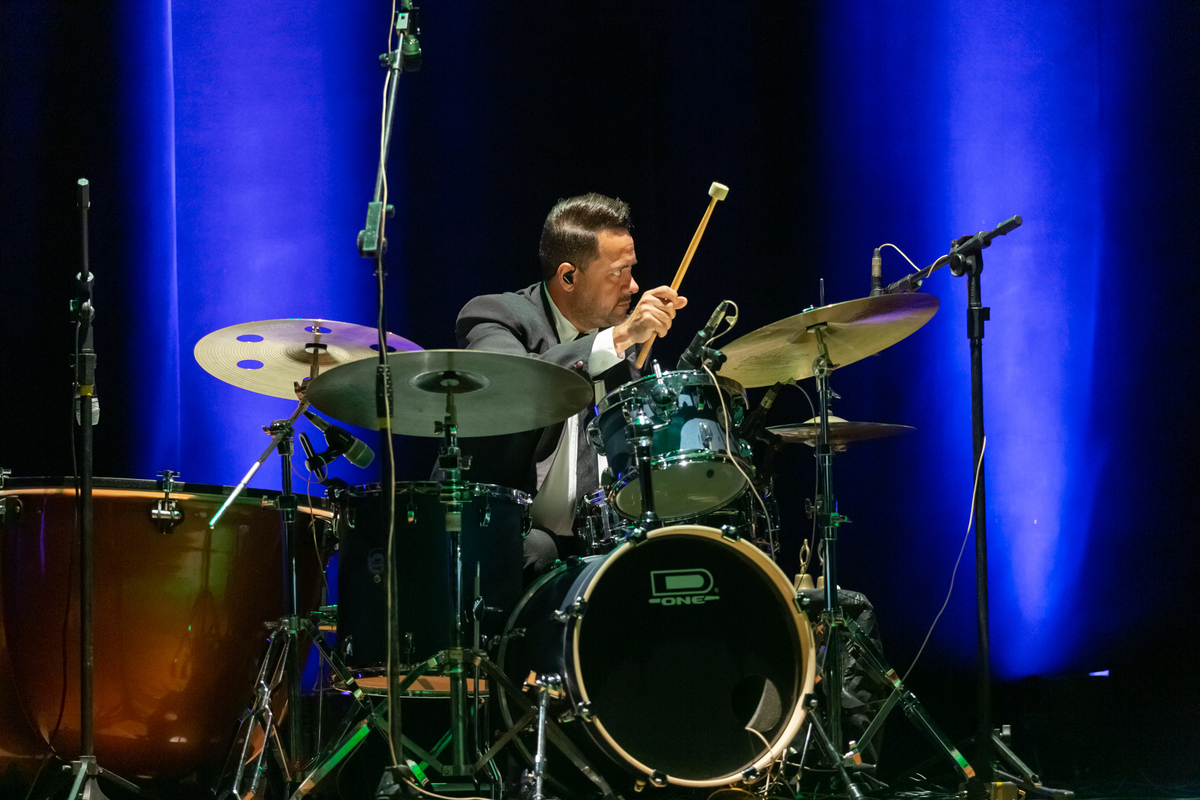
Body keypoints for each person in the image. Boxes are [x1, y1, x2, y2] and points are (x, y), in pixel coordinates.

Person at [455, 192, 687, 576]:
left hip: (595, 537)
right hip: (501, 530)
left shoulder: (621, 347)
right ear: (568, 276)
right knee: (540, 550)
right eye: (618, 272)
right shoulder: (494, 316)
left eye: (632, 270)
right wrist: (618, 338)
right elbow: (516, 384)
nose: (633, 286)